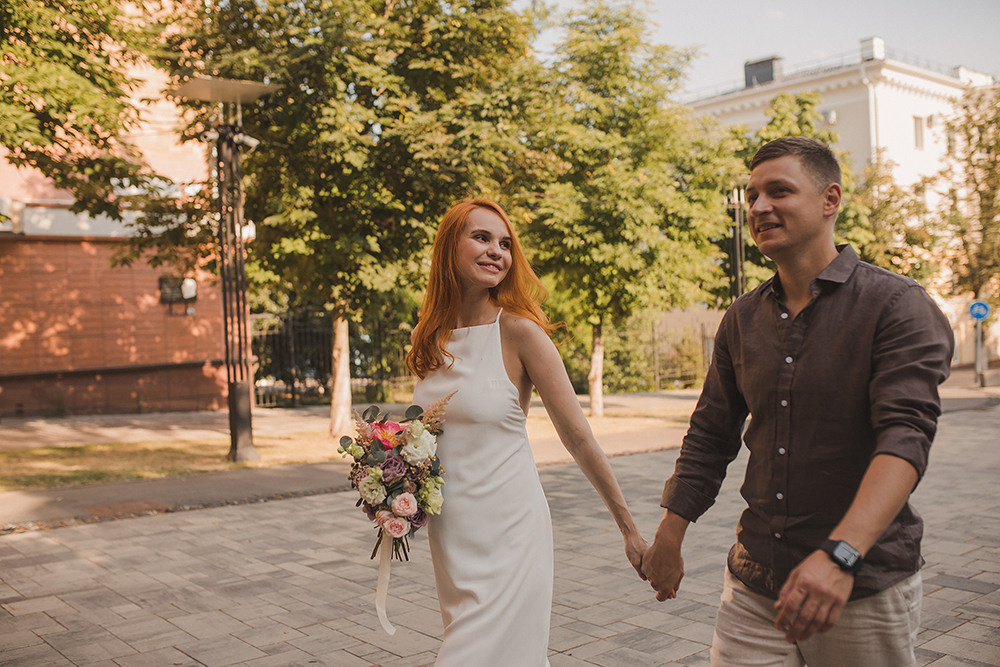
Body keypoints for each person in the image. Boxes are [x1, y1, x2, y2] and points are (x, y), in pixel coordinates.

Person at [640, 137, 954, 666]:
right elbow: (711, 434)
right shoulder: (740, 319)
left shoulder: (896, 305)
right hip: (753, 583)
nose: (759, 207)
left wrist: (840, 555)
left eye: (779, 191)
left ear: (830, 199)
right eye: (753, 194)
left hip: (860, 587)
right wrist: (670, 536)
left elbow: (905, 439)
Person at [407, 197, 647, 666]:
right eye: (481, 237)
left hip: (511, 531)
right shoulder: (427, 335)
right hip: (454, 534)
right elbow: (426, 434)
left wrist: (629, 530)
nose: (496, 250)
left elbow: (578, 437)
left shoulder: (521, 333)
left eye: (505, 243)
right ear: (448, 247)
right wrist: (391, 483)